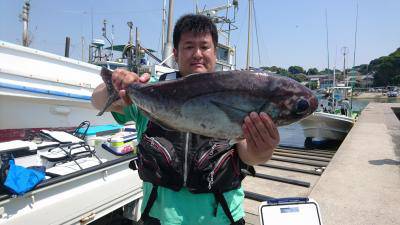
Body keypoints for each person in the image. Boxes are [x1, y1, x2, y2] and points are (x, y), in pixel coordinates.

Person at [91, 14, 279, 225]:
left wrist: (263, 149)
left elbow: (250, 156)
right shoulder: (152, 90)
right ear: (175, 53)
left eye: (205, 47)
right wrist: (118, 84)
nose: (197, 54)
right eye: (189, 46)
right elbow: (97, 100)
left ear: (215, 53)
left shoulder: (236, 96)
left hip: (222, 219)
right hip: (161, 218)